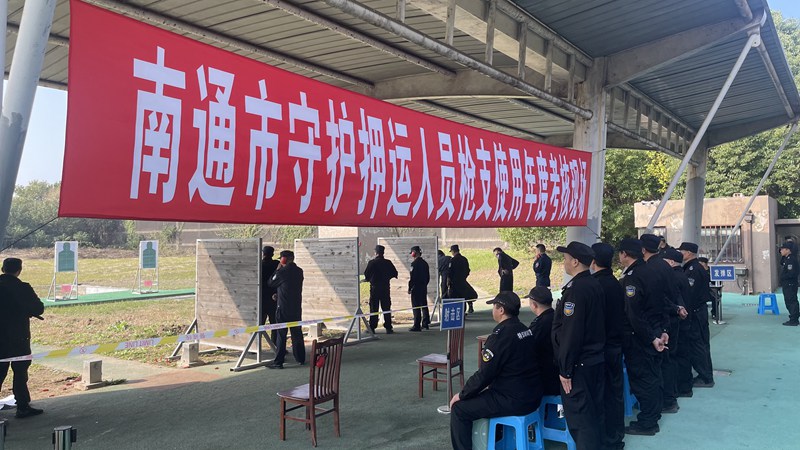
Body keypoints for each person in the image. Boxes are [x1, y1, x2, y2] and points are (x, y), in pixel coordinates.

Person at [449, 292, 542, 450]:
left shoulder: (500, 337)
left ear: (501, 310)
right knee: (484, 395)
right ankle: (498, 440)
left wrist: (462, 394)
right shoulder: (525, 330)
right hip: (533, 395)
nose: (493, 310)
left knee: (459, 409)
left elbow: (484, 375)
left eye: (494, 306)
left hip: (512, 399)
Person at [552, 242, 606, 450]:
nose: (564, 263)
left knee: (580, 419)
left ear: (575, 262)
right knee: (593, 413)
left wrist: (565, 369)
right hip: (594, 359)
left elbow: (571, 333)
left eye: (566, 259)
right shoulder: (593, 284)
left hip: (579, 365)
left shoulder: (577, 290)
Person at [618, 238, 667, 436]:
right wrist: (663, 330)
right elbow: (662, 303)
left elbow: (634, 314)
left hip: (640, 337)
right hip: (655, 330)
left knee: (643, 379)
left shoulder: (633, 277)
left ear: (624, 254)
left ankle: (648, 422)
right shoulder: (651, 271)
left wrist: (650, 338)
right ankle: (654, 415)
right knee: (653, 376)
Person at [591, 242, 626, 450]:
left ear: (593, 261)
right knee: (614, 393)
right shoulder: (614, 282)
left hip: (602, 348)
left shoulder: (596, 286)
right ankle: (616, 437)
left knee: (603, 395)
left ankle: (607, 439)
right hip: (615, 345)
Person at [0, 257, 45, 418]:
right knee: (20, 373)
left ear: (2, 269)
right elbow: (38, 308)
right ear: (19, 270)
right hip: (18, 337)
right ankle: (22, 406)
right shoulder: (23, 288)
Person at [640, 234, 679, 414]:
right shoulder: (664, 265)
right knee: (668, 360)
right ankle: (670, 398)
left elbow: (658, 298)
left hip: (660, 319)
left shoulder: (650, 268)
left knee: (660, 363)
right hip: (669, 317)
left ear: (643, 249)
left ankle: (666, 400)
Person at [678, 242, 715, 388]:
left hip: (696, 312)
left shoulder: (693, 269)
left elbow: (690, 293)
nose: (680, 254)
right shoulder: (694, 267)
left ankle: (705, 377)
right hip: (699, 311)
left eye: (682, 251)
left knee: (697, 344)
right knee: (701, 344)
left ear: (688, 253)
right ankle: (705, 374)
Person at [266, 251, 305, 369]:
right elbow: (289, 287)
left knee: (281, 335)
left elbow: (271, 282)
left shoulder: (282, 272)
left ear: (284, 259)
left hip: (283, 307)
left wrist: (277, 270)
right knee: (297, 333)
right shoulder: (299, 271)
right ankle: (300, 358)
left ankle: (278, 362)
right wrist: (279, 294)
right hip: (296, 307)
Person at [664, 249, 693, 398]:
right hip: (685, 319)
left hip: (678, 321)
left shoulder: (673, 277)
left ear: (671, 262)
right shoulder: (682, 275)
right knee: (684, 354)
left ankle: (680, 387)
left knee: (676, 355)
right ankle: (685, 386)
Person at [524, 286, 559, 396]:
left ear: (534, 305)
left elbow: (528, 347)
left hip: (545, 375)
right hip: (558, 370)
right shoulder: (558, 317)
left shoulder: (539, 325)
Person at [363, 245, 399, 334]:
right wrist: (387, 277)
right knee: (386, 308)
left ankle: (372, 327)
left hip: (375, 288)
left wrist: (369, 279)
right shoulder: (388, 263)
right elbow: (395, 273)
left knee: (374, 308)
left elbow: (366, 274)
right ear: (383, 253)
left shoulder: (372, 263)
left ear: (376, 252)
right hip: (385, 288)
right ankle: (388, 327)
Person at [447, 245, 478, 314]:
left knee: (456, 297)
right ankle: (466, 309)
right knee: (464, 295)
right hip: (462, 281)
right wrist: (464, 277)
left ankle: (460, 313)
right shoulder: (464, 259)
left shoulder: (452, 260)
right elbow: (467, 270)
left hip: (455, 282)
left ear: (453, 251)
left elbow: (450, 272)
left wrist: (449, 281)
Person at [408, 246, 431, 332]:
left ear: (414, 252)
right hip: (423, 287)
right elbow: (427, 277)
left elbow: (412, 278)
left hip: (416, 287)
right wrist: (424, 284)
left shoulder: (414, 264)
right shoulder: (425, 263)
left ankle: (416, 325)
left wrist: (410, 287)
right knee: (424, 305)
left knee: (416, 307)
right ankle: (426, 323)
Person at [261, 245, 280, 344]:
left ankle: (256, 345)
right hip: (273, 297)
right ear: (272, 254)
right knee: (275, 324)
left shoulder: (259, 265)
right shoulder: (276, 264)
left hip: (261, 298)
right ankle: (275, 345)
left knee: (260, 325)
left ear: (263, 254)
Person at [779, 242, 799, 326]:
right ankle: (794, 317)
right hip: (787, 283)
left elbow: (792, 273)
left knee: (791, 301)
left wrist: (783, 277)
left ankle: (794, 319)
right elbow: (781, 262)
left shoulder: (791, 260)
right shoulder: (786, 259)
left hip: (790, 283)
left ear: (788, 250)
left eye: (782, 249)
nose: (781, 251)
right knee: (789, 300)